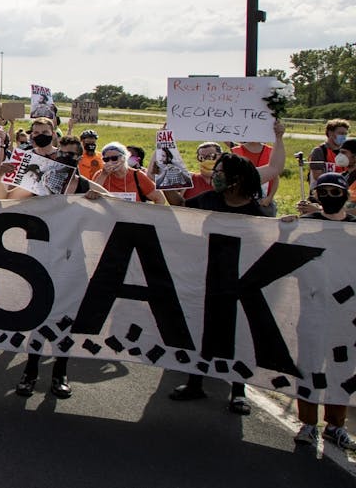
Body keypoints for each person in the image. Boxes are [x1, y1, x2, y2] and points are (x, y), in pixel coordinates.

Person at [168, 121, 286, 415]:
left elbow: (275, 167)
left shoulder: (252, 205)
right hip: (209, 275)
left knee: (240, 334)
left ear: (236, 179)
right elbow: (177, 206)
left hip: (245, 279)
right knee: (203, 329)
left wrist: (279, 137)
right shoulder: (208, 199)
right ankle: (195, 382)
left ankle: (238, 391)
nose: (215, 177)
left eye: (221, 174)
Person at [0, 135, 106, 398]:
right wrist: (3, 176)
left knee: (67, 318)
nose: (66, 159)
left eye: (72, 155)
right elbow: (7, 198)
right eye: (63, 154)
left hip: (72, 260)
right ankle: (31, 371)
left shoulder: (84, 184)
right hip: (41, 257)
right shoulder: (43, 180)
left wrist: (97, 196)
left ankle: (60, 372)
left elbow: (115, 206)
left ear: (80, 158)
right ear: (55, 157)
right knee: (40, 314)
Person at [282, 172, 356, 447]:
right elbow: (283, 262)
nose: (329, 198)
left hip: (347, 317)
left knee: (343, 369)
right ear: (316, 195)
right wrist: (284, 230)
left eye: (335, 192)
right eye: (322, 192)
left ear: (346, 195)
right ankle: (308, 423)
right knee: (310, 366)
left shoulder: (354, 227)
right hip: (313, 310)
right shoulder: (306, 227)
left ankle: (335, 425)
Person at [93, 142, 167, 204]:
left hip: (133, 218)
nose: (110, 162)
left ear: (124, 158)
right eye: (106, 159)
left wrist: (149, 218)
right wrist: (104, 175)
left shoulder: (137, 175)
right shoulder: (100, 174)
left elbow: (160, 199)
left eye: (114, 158)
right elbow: (91, 196)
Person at [308, 119, 350, 188]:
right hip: (322, 192)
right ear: (330, 133)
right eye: (341, 133)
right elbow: (317, 176)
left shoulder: (347, 152)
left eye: (345, 134)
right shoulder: (319, 151)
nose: (344, 136)